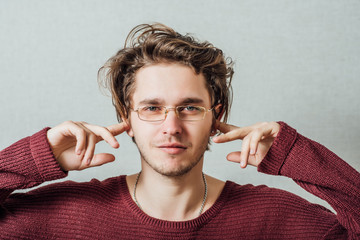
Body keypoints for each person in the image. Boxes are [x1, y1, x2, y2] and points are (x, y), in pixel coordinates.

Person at [0, 23, 359, 239]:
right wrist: (35, 156)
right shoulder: (69, 216)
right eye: (152, 108)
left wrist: (294, 155)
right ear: (128, 119)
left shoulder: (275, 217)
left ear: (216, 116)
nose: (171, 127)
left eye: (189, 108)